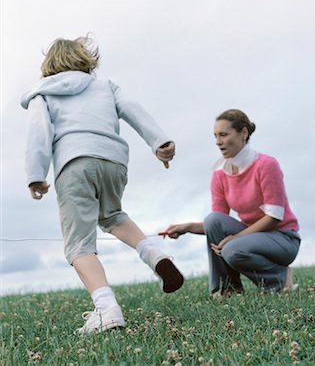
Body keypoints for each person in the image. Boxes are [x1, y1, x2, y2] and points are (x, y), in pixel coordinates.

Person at [21, 35, 183, 334]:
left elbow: (38, 133)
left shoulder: (42, 94)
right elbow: (134, 109)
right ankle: (154, 254)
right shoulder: (106, 87)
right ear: (86, 60)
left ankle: (107, 310)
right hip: (114, 161)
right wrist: (159, 141)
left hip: (75, 163)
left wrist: (35, 174)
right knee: (112, 215)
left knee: (79, 244)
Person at [165, 109, 300, 297]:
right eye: (215, 136)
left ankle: (280, 277)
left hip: (283, 238)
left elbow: (274, 217)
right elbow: (217, 224)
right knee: (213, 219)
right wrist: (187, 227)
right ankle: (227, 288)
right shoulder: (220, 173)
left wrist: (236, 238)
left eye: (224, 134)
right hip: (252, 237)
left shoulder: (266, 165)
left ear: (243, 133)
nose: (218, 142)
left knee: (232, 250)